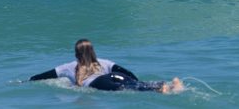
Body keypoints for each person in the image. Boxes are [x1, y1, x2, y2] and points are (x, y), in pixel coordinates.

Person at [29, 39, 184, 94]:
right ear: (92, 51)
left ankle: (161, 89)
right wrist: (138, 80)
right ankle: (167, 85)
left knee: (126, 89)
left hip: (99, 82)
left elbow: (42, 76)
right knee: (132, 84)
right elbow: (126, 72)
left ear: (77, 54)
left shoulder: (69, 66)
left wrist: (26, 81)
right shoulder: (104, 62)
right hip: (114, 76)